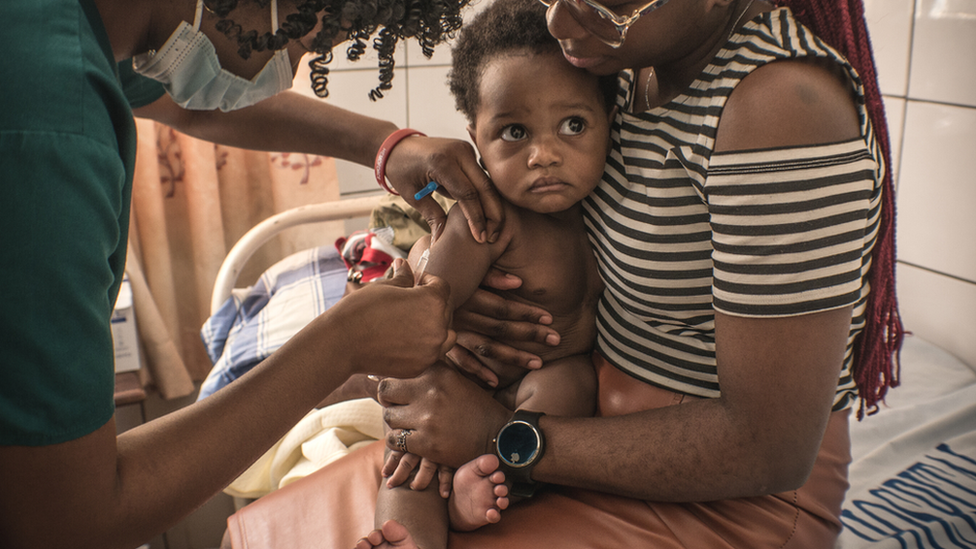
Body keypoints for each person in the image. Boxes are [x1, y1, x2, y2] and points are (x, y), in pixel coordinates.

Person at [218, 0, 906, 546]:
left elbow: (768, 448)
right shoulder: (629, 57)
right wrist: (452, 285)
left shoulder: (779, 107)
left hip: (722, 506)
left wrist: (498, 434)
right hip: (583, 441)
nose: (558, 19)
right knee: (271, 532)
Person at [0, 0, 505, 547]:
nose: (288, 69)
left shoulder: (66, 26)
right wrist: (342, 344)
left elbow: (183, 104)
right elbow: (65, 519)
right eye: (301, 43)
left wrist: (385, 144)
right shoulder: (45, 128)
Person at [358, 2, 617, 546]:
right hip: (464, 379)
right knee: (409, 455)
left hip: (539, 389)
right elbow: (425, 314)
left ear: (608, 122)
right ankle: (411, 534)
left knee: (570, 384)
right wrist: (425, 384)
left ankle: (489, 480)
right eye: (514, 132)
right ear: (475, 139)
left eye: (573, 125)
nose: (545, 154)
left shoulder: (617, 205)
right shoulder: (487, 219)